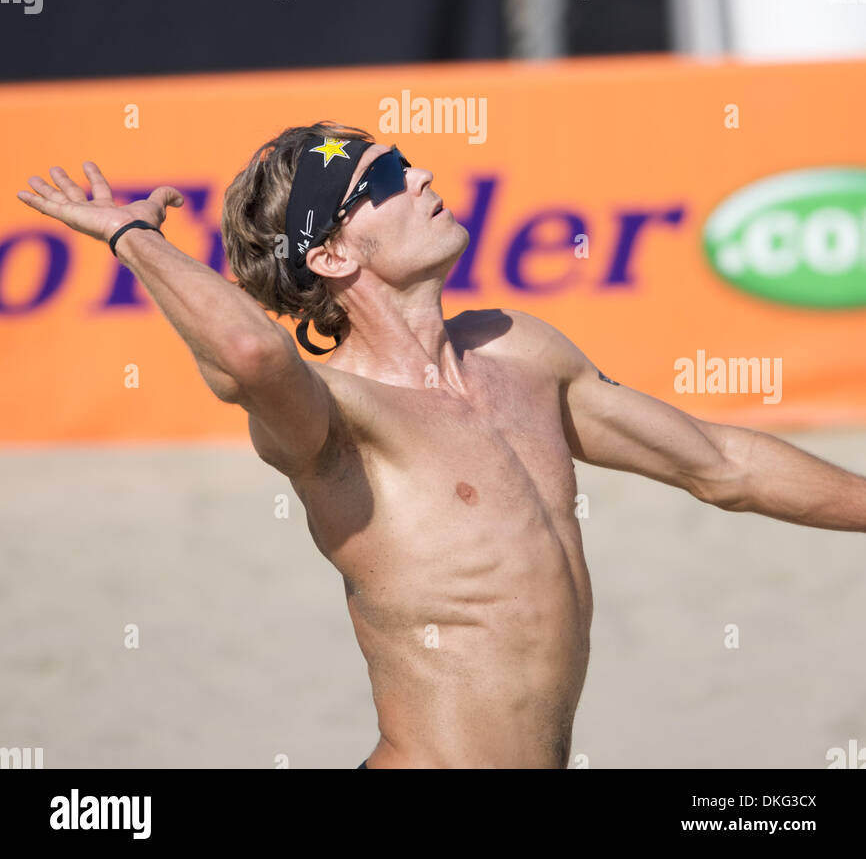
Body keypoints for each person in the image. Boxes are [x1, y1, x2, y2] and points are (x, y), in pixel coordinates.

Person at [16, 122, 866, 770]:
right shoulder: (335, 418)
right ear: (331, 252)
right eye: (380, 178)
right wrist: (136, 237)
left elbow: (720, 466)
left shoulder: (519, 351)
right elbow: (248, 353)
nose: (418, 174)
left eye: (402, 159)